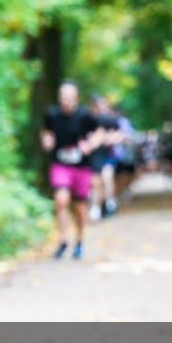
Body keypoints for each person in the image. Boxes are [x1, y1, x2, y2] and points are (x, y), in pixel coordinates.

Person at [41, 82, 102, 260]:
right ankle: (62, 240)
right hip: (60, 164)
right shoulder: (52, 114)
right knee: (61, 200)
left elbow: (99, 133)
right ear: (59, 98)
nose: (66, 101)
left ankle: (80, 241)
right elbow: (46, 132)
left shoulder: (85, 116)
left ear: (76, 98)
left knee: (80, 207)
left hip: (81, 167)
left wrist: (90, 145)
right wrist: (47, 140)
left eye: (69, 98)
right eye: (63, 98)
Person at [87, 95, 123, 220]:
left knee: (106, 177)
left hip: (108, 155)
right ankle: (98, 206)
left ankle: (108, 201)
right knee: (96, 183)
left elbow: (120, 134)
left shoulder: (111, 119)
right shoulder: (87, 119)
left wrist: (110, 138)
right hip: (93, 156)